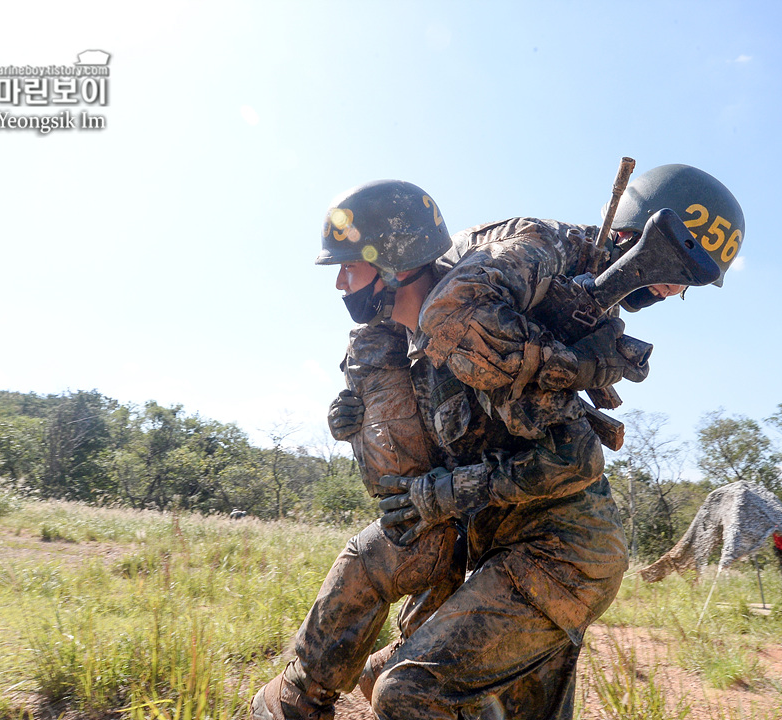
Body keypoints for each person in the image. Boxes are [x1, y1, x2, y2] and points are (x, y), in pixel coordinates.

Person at [306, 168, 743, 720]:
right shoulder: (528, 258)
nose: (677, 289)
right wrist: (361, 416)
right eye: (682, 268)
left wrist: (448, 491)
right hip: (499, 529)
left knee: (412, 690)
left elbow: (572, 456)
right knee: (400, 673)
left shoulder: (555, 289)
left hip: (558, 546)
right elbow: (449, 336)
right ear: (642, 229)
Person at [250, 317, 467, 720]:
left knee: (414, 558)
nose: (342, 283)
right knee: (411, 550)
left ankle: (373, 672)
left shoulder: (455, 315)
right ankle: (316, 690)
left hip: (477, 502)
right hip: (436, 503)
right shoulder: (385, 338)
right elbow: (405, 430)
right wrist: (353, 427)